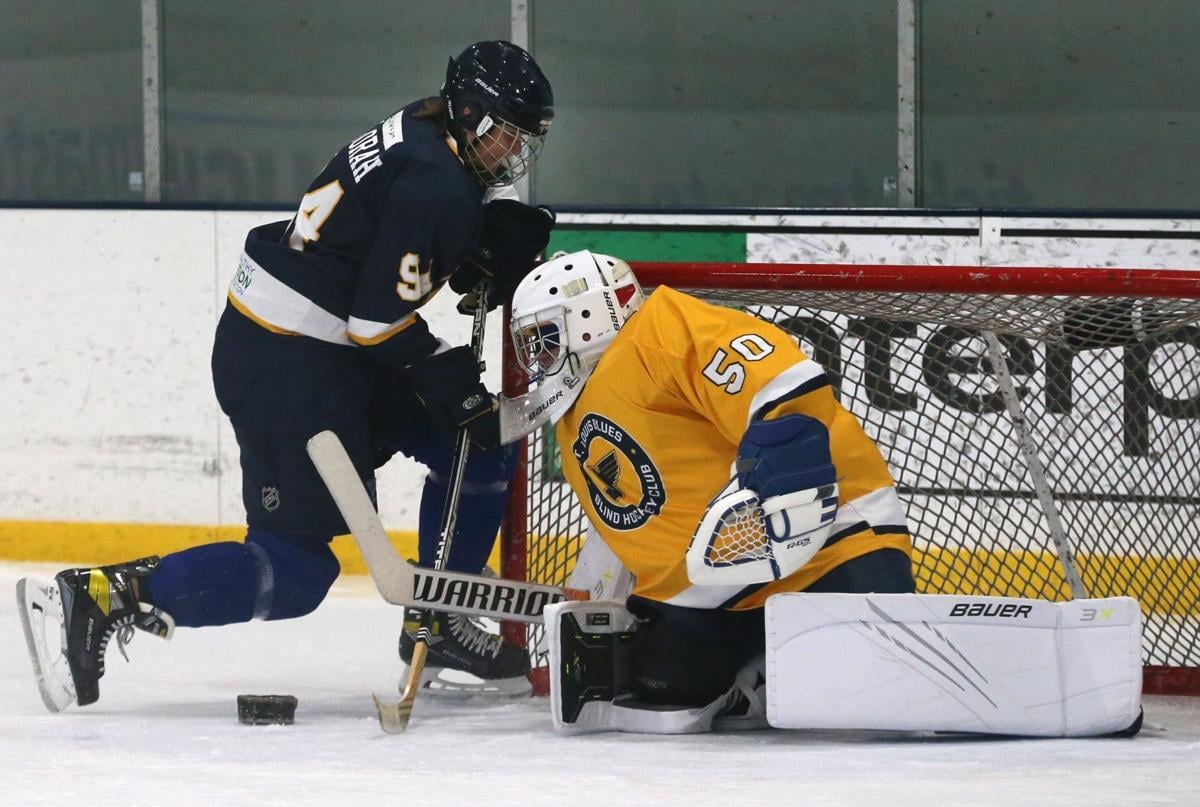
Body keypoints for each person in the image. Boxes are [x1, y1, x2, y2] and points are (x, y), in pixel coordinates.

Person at [17, 41, 555, 712]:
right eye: (504, 133)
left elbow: (369, 260)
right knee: (296, 570)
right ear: (470, 113)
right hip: (287, 362)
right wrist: (454, 376)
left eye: (521, 138)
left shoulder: (425, 126)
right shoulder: (437, 182)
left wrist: (461, 245)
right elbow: (375, 321)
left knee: (477, 444)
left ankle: (437, 621)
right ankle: (106, 595)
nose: (511, 152)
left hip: (324, 347)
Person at [505, 250, 916, 725]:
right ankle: (759, 674)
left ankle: (800, 661)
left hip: (828, 545)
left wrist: (787, 471)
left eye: (547, 337)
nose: (539, 357)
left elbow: (781, 380)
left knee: (878, 675)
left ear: (591, 315)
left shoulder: (659, 331)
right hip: (707, 594)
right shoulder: (568, 407)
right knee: (661, 690)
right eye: (530, 343)